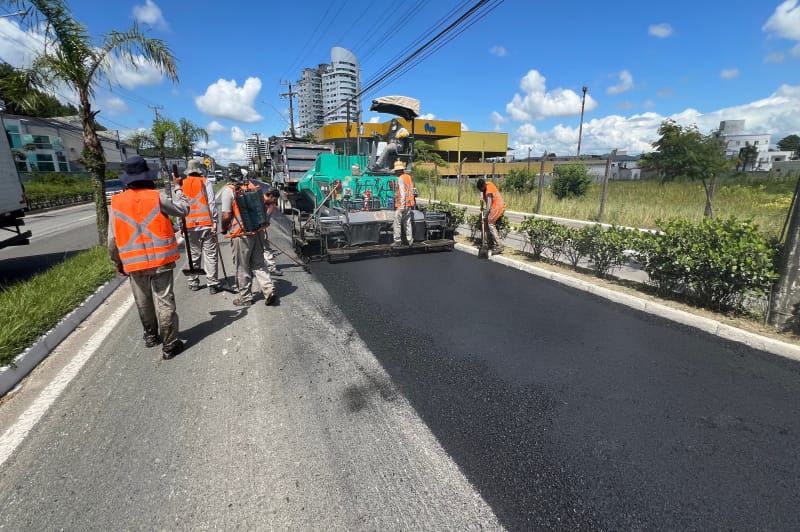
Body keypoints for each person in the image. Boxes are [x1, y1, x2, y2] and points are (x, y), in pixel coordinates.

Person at [108, 155, 189, 360]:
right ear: (147, 177)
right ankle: (170, 344)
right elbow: (183, 210)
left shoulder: (116, 202)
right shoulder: (156, 196)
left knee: (143, 301)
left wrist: (118, 261)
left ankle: (151, 336)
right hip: (160, 259)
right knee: (165, 301)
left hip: (133, 262)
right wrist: (178, 188)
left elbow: (112, 239)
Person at [220, 170, 276, 306]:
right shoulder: (251, 186)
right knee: (259, 263)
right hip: (256, 232)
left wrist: (223, 228)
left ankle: (245, 298)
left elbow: (227, 216)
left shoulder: (229, 191)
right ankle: (269, 290)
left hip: (241, 234)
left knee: (242, 266)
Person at [182, 157, 221, 293]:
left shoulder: (181, 184)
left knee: (193, 255)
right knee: (210, 255)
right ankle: (212, 284)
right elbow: (211, 203)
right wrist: (215, 222)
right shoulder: (205, 182)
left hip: (189, 225)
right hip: (206, 224)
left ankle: (193, 282)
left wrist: (180, 226)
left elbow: (178, 208)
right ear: (199, 170)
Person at [476, 177, 506, 254]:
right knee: (485, 222)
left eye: (480, 189)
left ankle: (500, 245)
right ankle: (485, 244)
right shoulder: (487, 184)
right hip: (494, 206)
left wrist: (485, 216)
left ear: (483, 187)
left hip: (497, 206)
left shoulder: (489, 192)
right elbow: (482, 194)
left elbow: (488, 207)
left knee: (490, 223)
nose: (480, 191)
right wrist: (482, 198)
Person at [392, 160, 415, 246]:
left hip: (402, 205)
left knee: (397, 222)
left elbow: (402, 193)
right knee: (407, 223)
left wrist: (401, 206)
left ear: (399, 170)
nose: (395, 172)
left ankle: (397, 241)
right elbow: (409, 190)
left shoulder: (400, 178)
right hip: (409, 204)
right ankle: (410, 240)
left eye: (396, 171)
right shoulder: (408, 177)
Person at [261, 188, 282, 277]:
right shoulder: (260, 201)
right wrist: (262, 230)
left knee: (266, 248)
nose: (276, 201)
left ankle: (271, 268)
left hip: (262, 228)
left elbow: (266, 218)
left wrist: (264, 230)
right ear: (271, 196)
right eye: (275, 199)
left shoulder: (271, 203)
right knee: (258, 249)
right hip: (255, 229)